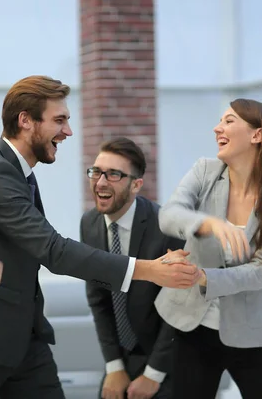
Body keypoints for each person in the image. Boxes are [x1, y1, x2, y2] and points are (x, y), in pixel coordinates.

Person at [0, 75, 199, 399]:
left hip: (23, 340)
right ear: (25, 121)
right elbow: (53, 250)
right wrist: (149, 270)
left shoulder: (14, 173)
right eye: (59, 120)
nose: (68, 131)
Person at [154, 98, 262, 399]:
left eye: (229, 121)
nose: (217, 128)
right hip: (193, 327)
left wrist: (203, 276)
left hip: (252, 333)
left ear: (257, 135)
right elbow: (169, 214)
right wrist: (209, 224)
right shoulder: (205, 171)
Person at [82, 137, 184, 399]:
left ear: (136, 184)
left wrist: (153, 375)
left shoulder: (166, 227)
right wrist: (114, 366)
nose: (101, 182)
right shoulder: (90, 224)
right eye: (96, 172)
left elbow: (181, 307)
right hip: (123, 357)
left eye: (114, 174)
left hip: (170, 358)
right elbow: (99, 301)